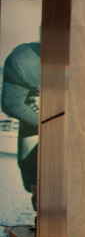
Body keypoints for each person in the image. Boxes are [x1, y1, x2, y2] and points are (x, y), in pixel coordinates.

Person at [1, 41, 40, 210]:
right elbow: (11, 103)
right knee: (34, 174)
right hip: (37, 122)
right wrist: (45, 118)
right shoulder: (26, 59)